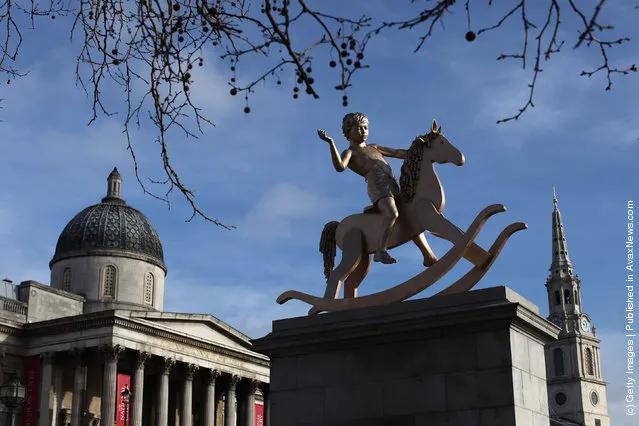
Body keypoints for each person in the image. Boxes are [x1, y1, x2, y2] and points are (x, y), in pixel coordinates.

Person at [318, 112, 437, 265]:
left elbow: (397, 153)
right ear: (348, 132)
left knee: (409, 215)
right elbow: (340, 167)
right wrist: (331, 143)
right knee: (392, 213)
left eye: (365, 128)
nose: (363, 132)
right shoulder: (350, 152)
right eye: (358, 128)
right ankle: (381, 251)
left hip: (392, 183)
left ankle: (428, 255)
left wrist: (420, 149)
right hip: (378, 186)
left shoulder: (374, 147)